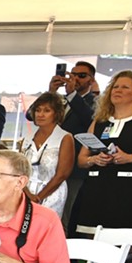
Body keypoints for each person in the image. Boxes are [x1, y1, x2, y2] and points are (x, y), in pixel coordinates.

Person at [71, 70, 132, 235]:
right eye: (115, 87)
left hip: (129, 192)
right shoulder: (100, 121)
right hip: (97, 190)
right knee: (92, 237)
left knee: (125, 239)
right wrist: (95, 159)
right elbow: (82, 159)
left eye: (125, 87)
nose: (117, 90)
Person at [52, 60, 100, 226]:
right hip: (53, 164)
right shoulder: (61, 100)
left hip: (75, 168)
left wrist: (72, 95)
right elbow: (32, 116)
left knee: (67, 212)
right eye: (73, 75)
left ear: (91, 80)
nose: (76, 79)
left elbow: (90, 120)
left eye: (82, 75)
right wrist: (52, 93)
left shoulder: (95, 101)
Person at [18, 92, 74, 216]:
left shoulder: (65, 137)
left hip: (52, 193)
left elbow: (62, 174)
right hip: (26, 192)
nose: (40, 114)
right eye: (38, 110)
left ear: (57, 113)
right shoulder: (27, 136)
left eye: (47, 110)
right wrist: (27, 194)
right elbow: (19, 168)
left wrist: (38, 197)